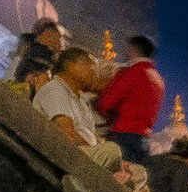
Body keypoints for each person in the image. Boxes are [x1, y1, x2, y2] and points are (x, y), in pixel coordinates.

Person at [32, 46, 119, 168]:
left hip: (84, 152)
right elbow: (66, 132)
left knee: (137, 171)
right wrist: (98, 152)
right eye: (90, 65)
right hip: (65, 153)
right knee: (112, 151)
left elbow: (92, 136)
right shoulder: (55, 89)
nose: (95, 71)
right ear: (71, 66)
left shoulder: (81, 99)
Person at [93, 35, 164, 163]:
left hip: (123, 134)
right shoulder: (157, 78)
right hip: (143, 139)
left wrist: (96, 103)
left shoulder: (134, 72)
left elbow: (108, 101)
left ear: (134, 49)